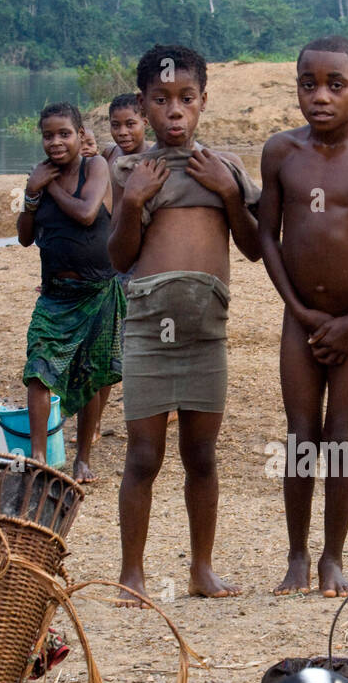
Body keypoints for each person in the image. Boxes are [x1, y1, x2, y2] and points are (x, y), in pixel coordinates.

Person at [108, 44, 261, 601]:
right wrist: (131, 204)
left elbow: (252, 248)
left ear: (202, 102)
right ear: (144, 105)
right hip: (149, 332)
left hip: (206, 334)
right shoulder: (129, 169)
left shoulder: (226, 169)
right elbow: (119, 259)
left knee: (201, 455)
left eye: (186, 99)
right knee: (143, 456)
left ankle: (202, 569)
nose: (174, 111)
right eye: (161, 99)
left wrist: (228, 193)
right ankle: (132, 574)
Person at [259, 36, 348, 597]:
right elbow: (268, 239)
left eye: (335, 86)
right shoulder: (280, 153)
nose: (320, 96)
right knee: (301, 437)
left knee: (342, 438)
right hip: (300, 320)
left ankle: (332, 559)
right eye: (308, 84)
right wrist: (295, 308)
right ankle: (296, 556)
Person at [18, 102, 125, 483]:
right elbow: (25, 237)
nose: (56, 141)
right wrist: (32, 194)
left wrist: (47, 186)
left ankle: (82, 459)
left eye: (64, 133)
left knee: (92, 375)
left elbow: (87, 213)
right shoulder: (39, 177)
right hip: (54, 294)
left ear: (81, 135)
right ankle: (38, 458)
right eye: (49, 135)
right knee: (38, 370)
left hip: (97, 290)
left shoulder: (94, 167)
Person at [102, 94, 150, 166]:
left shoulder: (153, 159)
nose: (122, 132)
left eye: (130, 124)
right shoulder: (109, 153)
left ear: (145, 122)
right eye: (115, 125)